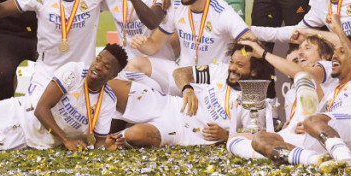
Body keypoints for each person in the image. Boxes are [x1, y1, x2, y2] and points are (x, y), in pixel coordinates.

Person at [250, 13, 351, 171]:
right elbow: (315, 123)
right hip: (335, 140)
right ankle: (316, 160)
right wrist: (302, 127)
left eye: (342, 51)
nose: (335, 55)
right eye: (335, 52)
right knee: (260, 139)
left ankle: (345, 161)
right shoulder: (331, 95)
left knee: (313, 120)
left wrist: (339, 30)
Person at [110, 44, 271, 148]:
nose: (232, 68)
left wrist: (225, 136)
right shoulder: (221, 70)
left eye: (240, 65)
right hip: (170, 105)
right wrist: (187, 89)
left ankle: (113, 138)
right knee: (111, 86)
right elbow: (180, 72)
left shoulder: (253, 99)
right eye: (232, 62)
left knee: (133, 135)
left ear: (254, 71)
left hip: (182, 131)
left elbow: (255, 138)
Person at [132, 0, 255, 68]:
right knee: (136, 64)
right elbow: (154, 45)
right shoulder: (176, 6)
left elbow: (250, 40)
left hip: (213, 78)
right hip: (182, 73)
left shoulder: (222, 11)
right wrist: (142, 44)